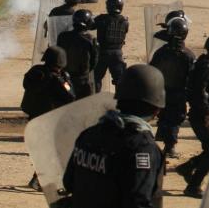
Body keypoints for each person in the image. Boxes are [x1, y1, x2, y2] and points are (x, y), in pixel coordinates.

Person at [62, 65, 167, 208]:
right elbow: (137, 202)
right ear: (157, 109)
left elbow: (68, 182)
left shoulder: (89, 134)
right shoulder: (142, 148)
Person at [174, 34, 209, 197]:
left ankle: (187, 167)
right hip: (202, 116)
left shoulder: (208, 64)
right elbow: (199, 93)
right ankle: (193, 185)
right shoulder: (206, 67)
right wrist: (208, 114)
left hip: (204, 113)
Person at [22, 45, 75, 190]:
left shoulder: (35, 72)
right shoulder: (57, 79)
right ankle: (38, 179)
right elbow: (71, 97)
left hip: (34, 117)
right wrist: (65, 81)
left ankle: (38, 178)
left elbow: (26, 85)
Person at [149, 17, 194, 159]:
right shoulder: (188, 55)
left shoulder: (161, 52)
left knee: (164, 115)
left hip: (162, 91)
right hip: (179, 92)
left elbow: (152, 70)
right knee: (175, 118)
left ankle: (164, 140)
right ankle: (170, 147)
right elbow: (192, 76)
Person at [57, 9, 99, 99]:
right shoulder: (91, 40)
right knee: (83, 103)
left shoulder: (62, 36)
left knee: (67, 97)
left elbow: (58, 55)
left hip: (65, 78)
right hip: (82, 79)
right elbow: (94, 61)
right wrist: (86, 71)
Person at [93, 0, 128, 92]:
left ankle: (96, 99)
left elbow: (90, 26)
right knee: (119, 80)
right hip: (118, 54)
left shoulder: (102, 19)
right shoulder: (124, 21)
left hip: (103, 53)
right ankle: (120, 102)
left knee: (96, 78)